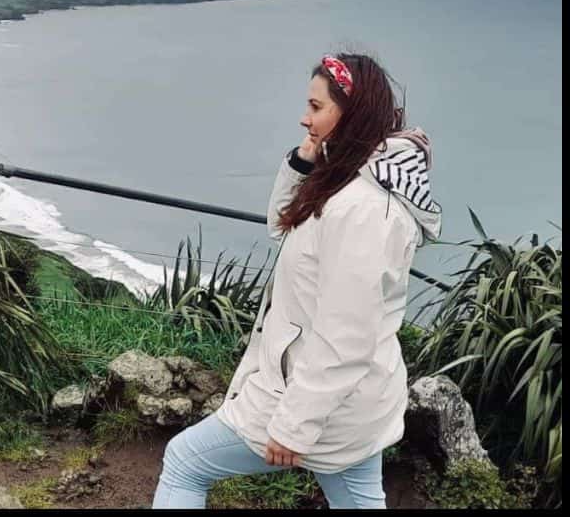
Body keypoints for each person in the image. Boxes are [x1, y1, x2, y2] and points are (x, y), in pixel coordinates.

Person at [153, 53, 442, 509]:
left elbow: (346, 335)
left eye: (316, 107)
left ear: (352, 113)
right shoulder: (351, 177)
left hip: (312, 398)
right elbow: (284, 227)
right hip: (353, 401)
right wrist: (304, 161)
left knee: (185, 464)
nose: (303, 118)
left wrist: (294, 426)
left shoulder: (363, 208)